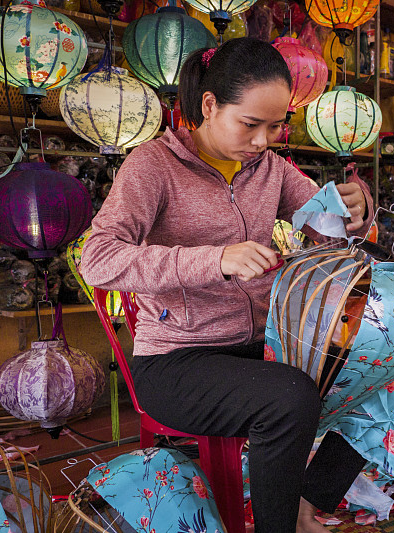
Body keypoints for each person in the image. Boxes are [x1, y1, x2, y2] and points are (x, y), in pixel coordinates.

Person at [81, 37, 374, 533]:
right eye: (250, 124)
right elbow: (99, 259)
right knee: (290, 398)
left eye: (275, 126)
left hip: (261, 343)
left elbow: (328, 225)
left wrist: (356, 207)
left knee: (379, 360)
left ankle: (306, 501)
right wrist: (215, 261)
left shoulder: (270, 169)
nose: (262, 140)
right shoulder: (154, 167)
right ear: (209, 105)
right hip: (177, 361)